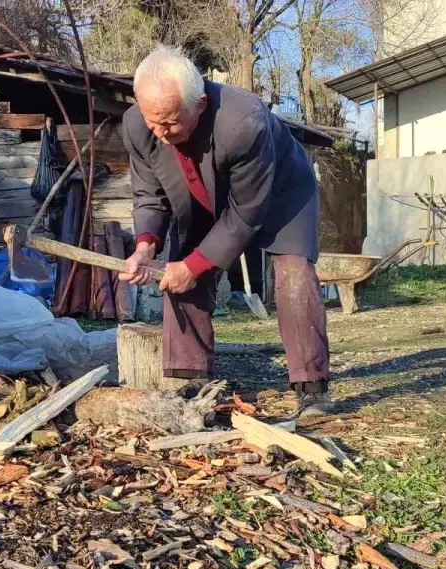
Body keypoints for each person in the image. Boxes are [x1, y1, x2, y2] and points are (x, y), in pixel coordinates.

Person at [117, 44, 333, 418]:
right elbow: (148, 196)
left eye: (170, 122)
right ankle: (193, 379)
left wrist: (197, 265)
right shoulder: (139, 125)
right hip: (200, 193)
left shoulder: (243, 122)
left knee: (294, 274)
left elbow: (245, 214)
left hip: (281, 193)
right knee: (180, 266)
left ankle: (311, 387)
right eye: (153, 119)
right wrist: (144, 246)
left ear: (199, 104)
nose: (160, 131)